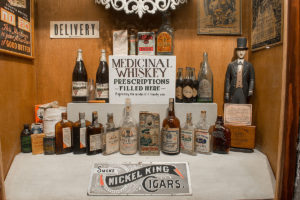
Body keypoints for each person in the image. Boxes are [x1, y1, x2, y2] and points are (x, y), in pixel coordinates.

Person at [225, 37, 255, 104]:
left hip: (244, 91)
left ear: (245, 51)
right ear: (236, 51)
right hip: (233, 90)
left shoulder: (249, 65)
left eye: (243, 51)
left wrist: (250, 89)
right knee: (233, 107)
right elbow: (227, 80)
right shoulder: (231, 65)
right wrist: (227, 92)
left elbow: (252, 79)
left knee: (243, 107)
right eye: (239, 50)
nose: (241, 53)